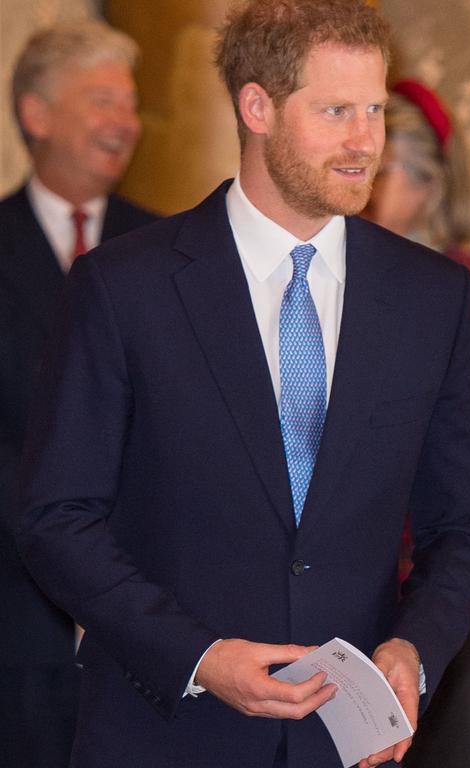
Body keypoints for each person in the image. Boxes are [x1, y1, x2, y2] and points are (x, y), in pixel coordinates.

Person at [15, 1, 470, 766]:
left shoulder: (433, 297)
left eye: (375, 109)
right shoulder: (125, 285)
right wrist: (199, 657)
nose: (365, 141)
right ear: (257, 107)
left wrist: (417, 646)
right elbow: (57, 517)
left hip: (347, 743)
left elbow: (467, 523)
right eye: (336, 110)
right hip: (162, 735)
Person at [0, 20, 156, 768]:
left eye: (129, 104)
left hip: (149, 624)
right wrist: (71, 552)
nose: (124, 123)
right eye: (102, 101)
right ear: (37, 114)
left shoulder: (169, 253)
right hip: (16, 621)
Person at [365, 79, 470, 768]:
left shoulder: (463, 287)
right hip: (358, 591)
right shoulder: (339, 277)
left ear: (426, 188)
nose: (362, 187)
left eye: (379, 172)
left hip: (448, 595)